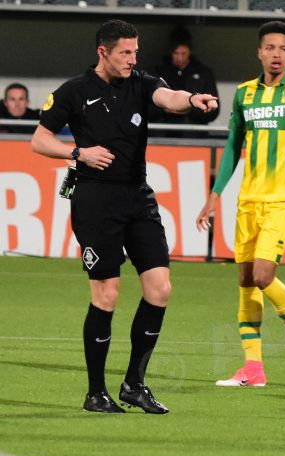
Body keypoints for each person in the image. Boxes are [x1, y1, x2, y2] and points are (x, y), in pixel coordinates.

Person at [31, 20, 218, 414]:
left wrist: (194, 98)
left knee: (160, 288)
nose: (133, 60)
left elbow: (169, 97)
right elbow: (40, 139)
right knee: (107, 294)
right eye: (125, 53)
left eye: (135, 52)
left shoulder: (140, 81)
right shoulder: (74, 91)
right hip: (95, 201)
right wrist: (78, 153)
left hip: (138, 197)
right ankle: (95, 392)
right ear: (103, 52)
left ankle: (134, 384)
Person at [196, 21, 285, 387]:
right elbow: (231, 150)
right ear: (259, 52)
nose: (276, 54)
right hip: (248, 200)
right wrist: (214, 195)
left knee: (262, 275)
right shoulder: (243, 94)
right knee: (244, 281)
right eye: (269, 48)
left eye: (282, 49)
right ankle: (252, 369)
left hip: (283, 198)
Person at [149, 26, 220, 126]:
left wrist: (188, 107)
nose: (180, 58)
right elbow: (146, 105)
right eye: (176, 53)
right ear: (170, 52)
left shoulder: (203, 73)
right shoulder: (158, 72)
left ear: (190, 51)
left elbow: (213, 111)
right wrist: (164, 109)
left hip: (193, 133)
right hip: (162, 130)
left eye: (183, 53)